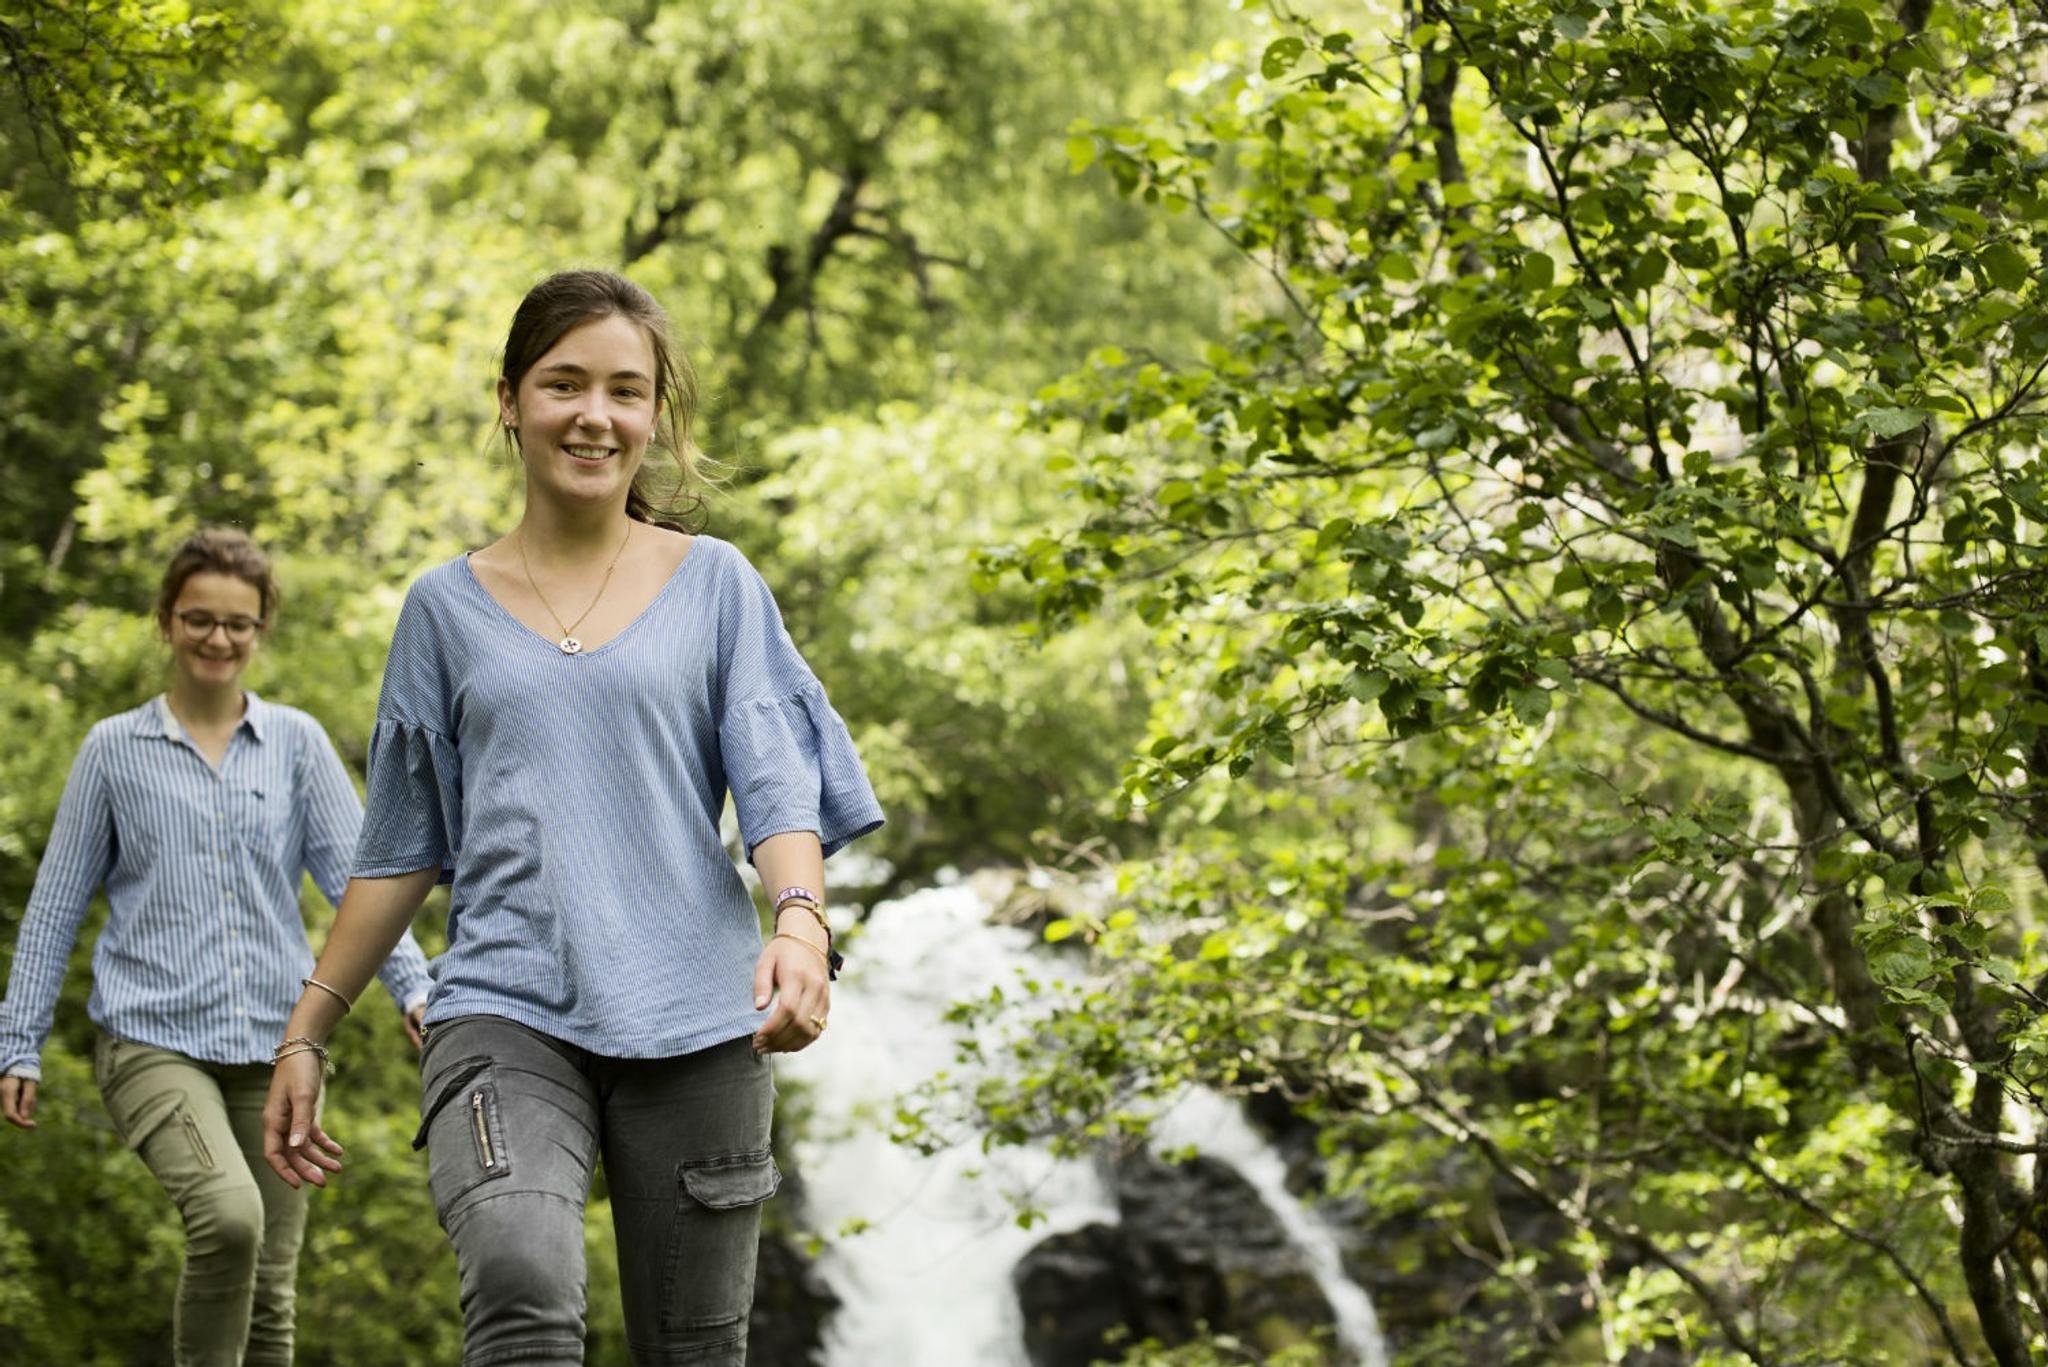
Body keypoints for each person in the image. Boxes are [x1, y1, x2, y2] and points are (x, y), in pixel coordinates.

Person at [261, 268, 883, 1366]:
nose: (595, 414)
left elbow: (777, 786)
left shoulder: (718, 585)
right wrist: (307, 1028)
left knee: (694, 1350)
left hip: (699, 1019)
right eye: (564, 383)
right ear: (510, 400)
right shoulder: (442, 609)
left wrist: (799, 920)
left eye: (625, 390)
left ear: (654, 415)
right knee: (520, 1278)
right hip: (503, 1007)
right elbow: (400, 847)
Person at [0, 528, 435, 1367]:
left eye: (238, 622)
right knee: (231, 1217)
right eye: (199, 618)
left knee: (270, 1291)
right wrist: (18, 1041)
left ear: (260, 629)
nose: (218, 638)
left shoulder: (297, 744)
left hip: (278, 1049)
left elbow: (361, 884)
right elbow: (54, 907)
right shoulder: (113, 751)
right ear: (167, 620)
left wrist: (413, 987)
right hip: (151, 1040)